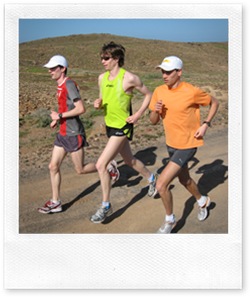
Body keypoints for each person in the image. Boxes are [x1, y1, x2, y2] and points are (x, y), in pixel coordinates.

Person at [38, 55, 119, 214]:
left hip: (73, 133)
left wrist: (60, 116)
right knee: (53, 166)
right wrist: (58, 120)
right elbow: (66, 107)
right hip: (63, 132)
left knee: (80, 169)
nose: (50, 71)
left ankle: (108, 166)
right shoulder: (60, 85)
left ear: (62, 68)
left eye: (53, 68)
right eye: (49, 68)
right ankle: (56, 202)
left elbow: (81, 108)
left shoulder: (69, 84)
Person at [149, 55, 219, 233]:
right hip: (171, 144)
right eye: (163, 72)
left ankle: (170, 220)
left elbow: (214, 103)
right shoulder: (159, 91)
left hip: (188, 144)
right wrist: (155, 112)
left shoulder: (191, 91)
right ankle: (203, 201)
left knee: (161, 185)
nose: (164, 75)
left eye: (168, 72)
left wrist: (205, 124)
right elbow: (153, 121)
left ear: (179, 72)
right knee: (184, 179)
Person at [90, 41, 157, 223]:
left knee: (101, 165)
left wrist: (137, 115)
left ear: (116, 58)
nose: (102, 61)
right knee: (129, 160)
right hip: (109, 125)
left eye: (106, 58)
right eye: (101, 58)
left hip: (122, 126)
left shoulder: (129, 78)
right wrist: (98, 103)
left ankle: (105, 205)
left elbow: (148, 95)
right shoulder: (101, 78)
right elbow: (103, 100)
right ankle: (152, 178)